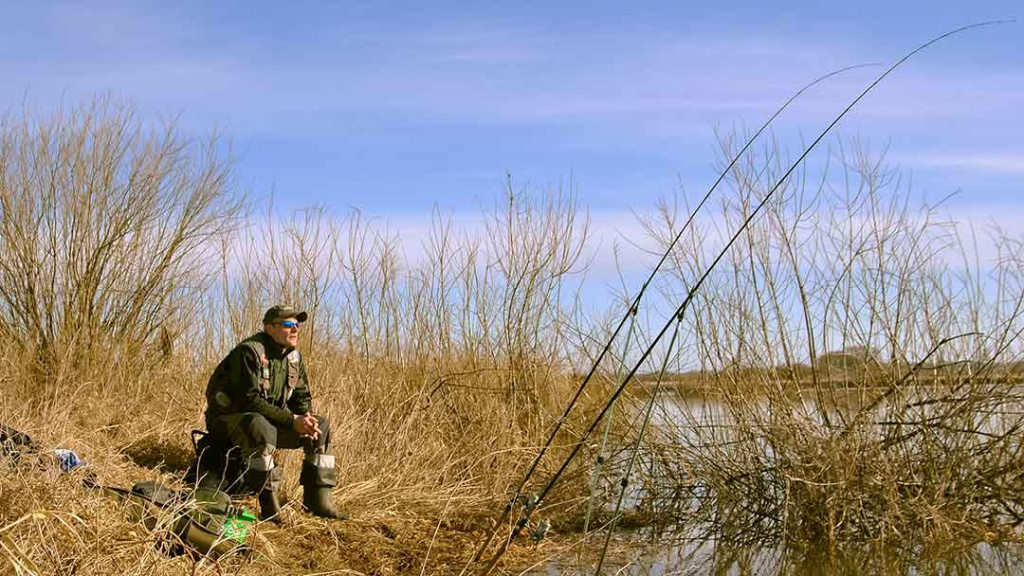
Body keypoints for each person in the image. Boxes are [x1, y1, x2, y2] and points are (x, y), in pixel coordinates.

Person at [203, 305, 345, 520]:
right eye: (288, 324)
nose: (295, 329)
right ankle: (269, 505)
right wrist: (291, 420)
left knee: (321, 425)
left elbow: (301, 397)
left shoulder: (293, 358)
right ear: (269, 328)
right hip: (226, 423)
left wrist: (305, 417)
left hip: (265, 422)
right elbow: (248, 401)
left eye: (297, 325)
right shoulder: (248, 352)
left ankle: (318, 501)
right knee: (260, 425)